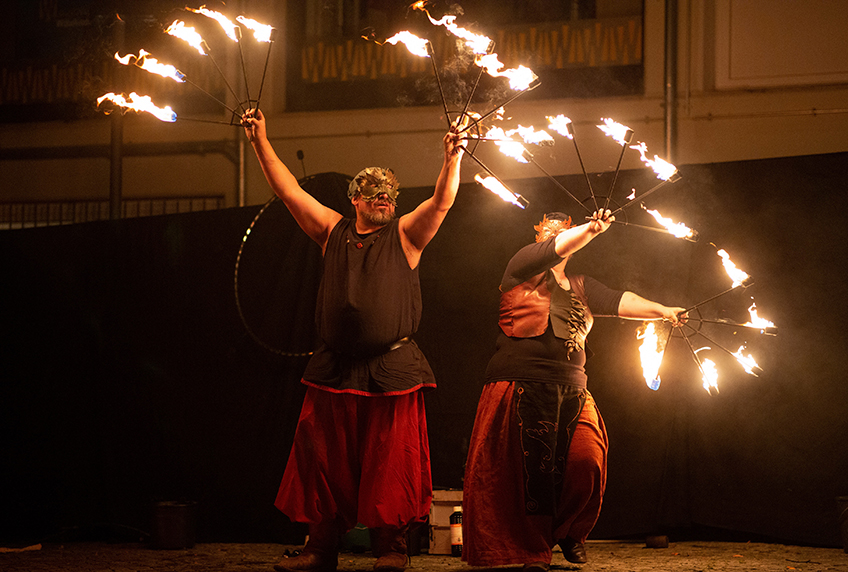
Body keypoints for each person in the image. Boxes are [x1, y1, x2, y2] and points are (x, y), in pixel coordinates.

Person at [241, 108, 466, 572]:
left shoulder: (406, 235)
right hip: (335, 369)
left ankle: (392, 549)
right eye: (373, 193)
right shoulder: (331, 230)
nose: (383, 198)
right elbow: (287, 189)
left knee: (391, 463)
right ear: (355, 200)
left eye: (390, 193)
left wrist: (453, 156)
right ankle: (320, 549)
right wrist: (260, 139)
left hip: (392, 370)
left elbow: (442, 202)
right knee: (322, 460)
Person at [462, 210, 687, 570]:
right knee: (529, 474)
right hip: (520, 381)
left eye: (561, 232)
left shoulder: (582, 285)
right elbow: (557, 247)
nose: (554, 238)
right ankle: (530, 550)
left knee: (587, 461)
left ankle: (568, 532)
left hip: (572, 388)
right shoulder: (520, 267)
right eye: (548, 234)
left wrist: (660, 310)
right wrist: (593, 229)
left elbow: (618, 300)